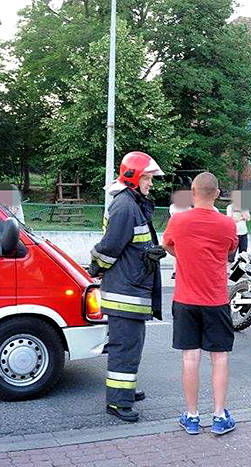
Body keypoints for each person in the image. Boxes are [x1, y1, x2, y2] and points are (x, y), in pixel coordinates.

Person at [88, 151, 166, 422]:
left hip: (132, 288)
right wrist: (95, 267)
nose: (151, 184)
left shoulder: (133, 203)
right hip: (125, 292)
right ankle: (118, 402)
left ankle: (126, 390)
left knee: (132, 346)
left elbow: (131, 243)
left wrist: (149, 251)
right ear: (133, 177)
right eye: (148, 178)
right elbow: (108, 248)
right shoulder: (125, 206)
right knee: (124, 347)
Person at [162, 172, 239, 435]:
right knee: (219, 357)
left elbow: (168, 246)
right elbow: (230, 253)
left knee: (190, 357)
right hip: (216, 300)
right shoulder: (227, 224)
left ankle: (192, 416)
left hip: (185, 299)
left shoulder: (178, 221)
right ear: (217, 193)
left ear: (192, 192)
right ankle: (219, 416)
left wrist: (183, 254)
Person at [168, 190, 193, 280]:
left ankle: (178, 270)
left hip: (180, 231)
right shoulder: (178, 207)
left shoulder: (184, 208)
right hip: (180, 231)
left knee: (180, 252)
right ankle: (177, 270)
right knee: (179, 252)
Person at [226, 193, 251, 259]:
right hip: (234, 233)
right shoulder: (230, 207)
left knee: (243, 254)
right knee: (231, 255)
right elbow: (232, 220)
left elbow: (248, 218)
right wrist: (242, 217)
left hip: (244, 233)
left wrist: (241, 212)